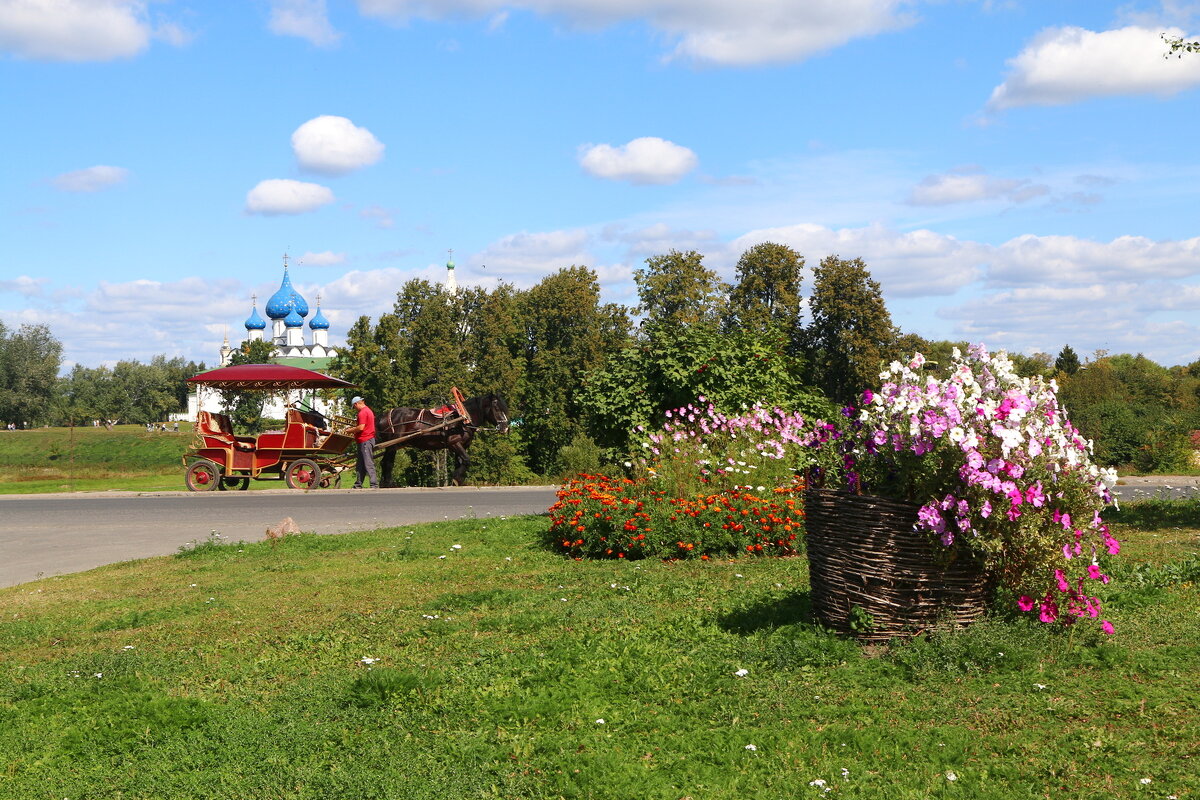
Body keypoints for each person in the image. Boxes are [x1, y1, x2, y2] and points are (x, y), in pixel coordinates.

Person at [349, 396, 379, 489]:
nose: (355, 409)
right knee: (360, 464)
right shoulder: (369, 411)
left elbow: (361, 427)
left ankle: (374, 484)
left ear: (356, 404)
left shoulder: (362, 413)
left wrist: (350, 430)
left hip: (365, 440)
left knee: (368, 463)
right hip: (366, 440)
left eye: (354, 407)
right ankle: (358, 484)